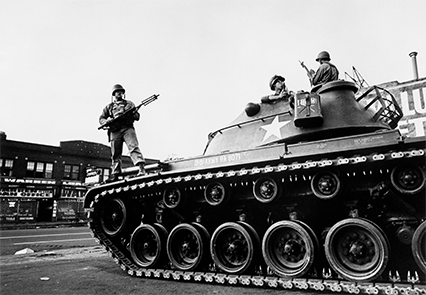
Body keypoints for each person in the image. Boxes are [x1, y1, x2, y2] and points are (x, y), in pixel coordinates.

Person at [99, 84, 146, 181]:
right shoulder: (109, 107)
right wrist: (106, 121)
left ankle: (141, 169)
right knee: (115, 153)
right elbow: (101, 118)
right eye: (117, 92)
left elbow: (137, 117)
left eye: (121, 92)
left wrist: (132, 113)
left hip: (127, 128)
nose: (119, 93)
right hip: (115, 130)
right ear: (114, 94)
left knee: (133, 147)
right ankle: (115, 174)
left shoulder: (129, 104)